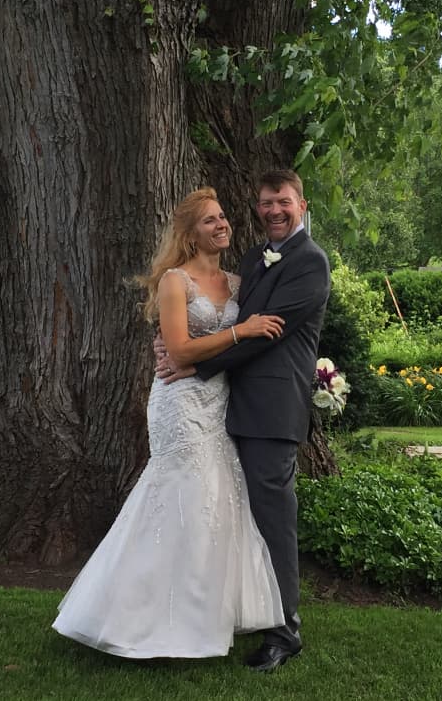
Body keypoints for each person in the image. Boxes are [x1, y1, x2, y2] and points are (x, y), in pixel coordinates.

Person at [52, 187, 288, 658]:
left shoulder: (241, 283)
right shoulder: (174, 282)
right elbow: (178, 350)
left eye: (222, 218)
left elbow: (245, 349)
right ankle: (135, 616)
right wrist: (240, 329)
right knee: (179, 500)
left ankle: (204, 617)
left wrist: (239, 337)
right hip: (179, 405)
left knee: (217, 503)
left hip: (219, 404)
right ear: (189, 233)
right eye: (209, 221)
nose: (221, 225)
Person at [158, 169, 330, 673]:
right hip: (226, 407)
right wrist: (181, 345)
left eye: (283, 201)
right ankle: (232, 612)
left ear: (301, 204)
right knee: (235, 519)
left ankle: (285, 631)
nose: (273, 210)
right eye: (265, 202)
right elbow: (230, 319)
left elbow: (263, 336)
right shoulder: (255, 258)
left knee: (273, 521)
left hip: (271, 412)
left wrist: (193, 363)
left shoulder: (311, 264)